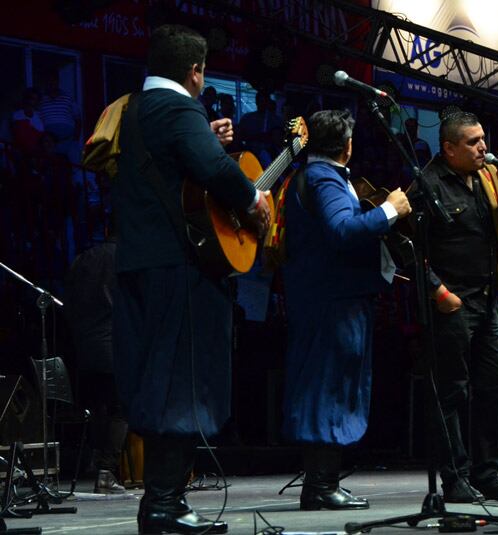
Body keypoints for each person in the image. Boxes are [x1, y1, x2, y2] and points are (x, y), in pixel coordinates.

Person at [112, 24, 270, 534]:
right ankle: (163, 504)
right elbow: (216, 174)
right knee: (182, 383)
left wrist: (207, 136)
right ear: (195, 71)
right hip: (179, 266)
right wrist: (254, 199)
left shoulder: (135, 109)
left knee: (159, 378)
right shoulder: (181, 108)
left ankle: (166, 502)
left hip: (141, 260)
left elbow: (179, 160)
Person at [281, 109, 411, 510]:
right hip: (334, 302)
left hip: (324, 298)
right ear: (348, 146)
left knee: (327, 386)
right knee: (331, 388)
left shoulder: (314, 176)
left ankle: (321, 483)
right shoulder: (324, 178)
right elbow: (342, 230)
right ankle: (321, 487)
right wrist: (390, 210)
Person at [414, 111, 498, 503]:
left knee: (495, 384)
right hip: (451, 303)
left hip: (486, 298)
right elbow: (403, 246)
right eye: (472, 142)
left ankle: (487, 473)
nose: (484, 147)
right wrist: (437, 291)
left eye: (483, 138)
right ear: (448, 148)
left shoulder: (488, 179)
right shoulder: (427, 184)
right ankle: (456, 477)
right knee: (452, 392)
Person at [64, 237, 127, 494]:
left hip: (83, 347)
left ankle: (96, 460)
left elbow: (68, 301)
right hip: (112, 345)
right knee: (122, 408)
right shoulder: (124, 257)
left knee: (98, 408)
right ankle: (106, 471)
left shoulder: (81, 260)